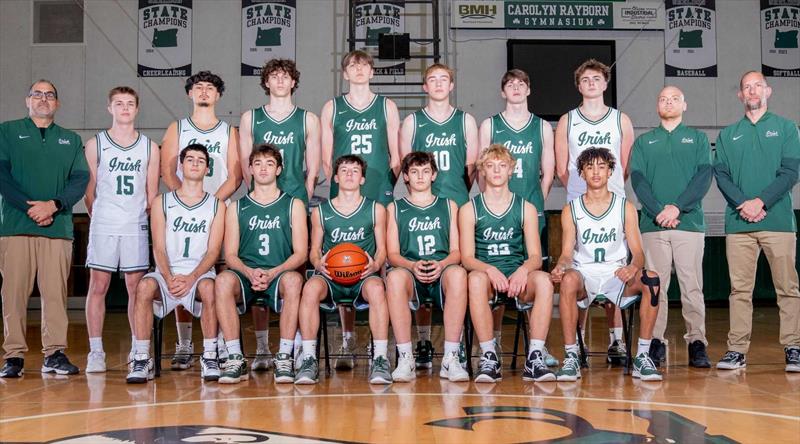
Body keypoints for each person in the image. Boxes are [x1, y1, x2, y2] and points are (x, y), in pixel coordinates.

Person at [0, 80, 89, 378]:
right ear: (27, 100)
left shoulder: (70, 140)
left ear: (57, 104)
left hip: (57, 227)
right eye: (37, 94)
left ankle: (54, 354)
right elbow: (2, 176)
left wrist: (53, 205)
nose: (43, 99)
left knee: (54, 295)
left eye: (49, 95)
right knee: (13, 295)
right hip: (16, 227)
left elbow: (79, 180)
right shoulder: (7, 131)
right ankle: (14, 356)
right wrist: (30, 208)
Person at [551, 147, 662, 382]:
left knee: (651, 279)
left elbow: (638, 254)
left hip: (616, 274)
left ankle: (643, 356)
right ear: (581, 173)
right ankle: (571, 356)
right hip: (585, 274)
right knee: (568, 280)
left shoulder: (625, 207)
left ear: (610, 171)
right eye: (589, 167)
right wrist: (561, 266)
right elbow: (567, 253)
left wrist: (633, 267)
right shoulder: (571, 209)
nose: (596, 172)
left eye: (602, 167)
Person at [713, 71, 800, 373]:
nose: (752, 91)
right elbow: (721, 175)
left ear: (768, 91)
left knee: (787, 288)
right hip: (739, 225)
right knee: (739, 291)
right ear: (740, 95)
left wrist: (760, 202)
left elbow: (790, 173)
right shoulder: (728, 134)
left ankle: (794, 347)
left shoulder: (786, 128)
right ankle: (737, 350)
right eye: (747, 87)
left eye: (757, 86)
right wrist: (744, 204)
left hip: (778, 222)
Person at [320, 50, 400, 369]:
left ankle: (381, 341)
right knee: (345, 260)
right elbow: (327, 159)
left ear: (372, 72)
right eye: (352, 66)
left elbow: (396, 156)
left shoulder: (386, 105)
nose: (358, 70)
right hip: (345, 190)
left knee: (381, 264)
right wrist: (343, 185)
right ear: (345, 73)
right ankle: (348, 337)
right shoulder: (333, 107)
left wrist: (385, 185)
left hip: (378, 187)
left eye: (364, 65)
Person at [239, 58, 320, 371]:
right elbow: (245, 164)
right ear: (266, 82)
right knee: (258, 269)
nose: (281, 81)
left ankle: (295, 344)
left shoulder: (307, 119)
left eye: (286, 76)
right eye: (274, 76)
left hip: (293, 202)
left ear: (294, 82)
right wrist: (257, 194)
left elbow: (313, 167)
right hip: (260, 203)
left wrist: (304, 194)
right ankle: (262, 347)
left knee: (294, 275)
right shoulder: (251, 117)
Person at [554, 59, 634, 363]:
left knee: (615, 267)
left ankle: (617, 341)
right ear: (578, 85)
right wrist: (582, 192)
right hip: (580, 204)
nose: (591, 83)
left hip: (613, 203)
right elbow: (562, 167)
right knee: (579, 272)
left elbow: (624, 165)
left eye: (596, 79)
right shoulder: (568, 120)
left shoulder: (620, 119)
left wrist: (607, 191)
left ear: (605, 83)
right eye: (585, 79)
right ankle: (578, 342)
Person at [400, 63, 479, 368]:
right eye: (432, 79)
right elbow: (406, 164)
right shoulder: (413, 122)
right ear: (425, 87)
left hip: (455, 203)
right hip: (420, 203)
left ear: (451, 85)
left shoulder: (465, 120)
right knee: (423, 265)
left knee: (456, 274)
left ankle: (456, 346)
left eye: (443, 79)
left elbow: (471, 167)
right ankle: (422, 340)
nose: (438, 84)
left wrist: (457, 195)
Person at [161, 71, 241, 369]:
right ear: (190, 94)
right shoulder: (177, 128)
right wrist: (187, 202)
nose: (204, 92)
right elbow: (167, 171)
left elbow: (236, 176)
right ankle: (184, 342)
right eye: (199, 87)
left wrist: (211, 204)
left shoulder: (228, 132)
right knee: (183, 270)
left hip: (218, 208)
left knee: (220, 274)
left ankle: (218, 340)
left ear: (218, 95)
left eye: (210, 88)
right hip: (183, 212)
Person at [478, 68, 558, 367]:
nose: (515, 87)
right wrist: (493, 203)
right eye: (510, 84)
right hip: (496, 210)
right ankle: (495, 340)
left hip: (530, 210)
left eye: (521, 83)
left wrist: (536, 202)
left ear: (528, 90)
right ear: (503, 92)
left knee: (533, 278)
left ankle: (539, 346)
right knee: (497, 270)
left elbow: (548, 171)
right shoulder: (490, 125)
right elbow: (482, 169)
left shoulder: (541, 126)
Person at [126, 144, 226, 383]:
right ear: (181, 166)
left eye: (200, 160)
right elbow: (158, 248)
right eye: (189, 159)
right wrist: (168, 276)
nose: (195, 163)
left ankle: (210, 356)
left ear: (207, 169)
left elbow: (213, 251)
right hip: (167, 273)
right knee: (144, 287)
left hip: (199, 274)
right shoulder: (162, 202)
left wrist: (191, 278)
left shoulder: (217, 205)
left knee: (210, 288)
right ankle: (141, 358)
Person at [630, 86, 712, 368]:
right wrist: (659, 211)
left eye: (675, 99)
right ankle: (654, 341)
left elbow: (703, 177)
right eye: (663, 99)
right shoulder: (644, 142)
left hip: (688, 224)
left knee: (692, 287)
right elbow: (638, 180)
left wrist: (677, 207)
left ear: (684, 105)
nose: (669, 103)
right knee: (656, 286)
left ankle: (697, 342)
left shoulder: (698, 139)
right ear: (657, 106)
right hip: (653, 225)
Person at [460, 144, 556, 383]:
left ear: (511, 170)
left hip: (517, 278)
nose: (496, 170)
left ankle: (535, 356)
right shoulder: (469, 209)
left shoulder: (526, 208)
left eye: (502, 165)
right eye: (490, 166)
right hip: (487, 278)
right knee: (475, 279)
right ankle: (489, 356)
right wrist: (490, 269)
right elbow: (467, 258)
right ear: (482, 171)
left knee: (544, 280)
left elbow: (535, 256)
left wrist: (523, 270)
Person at [295, 155, 392, 385]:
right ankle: (308, 359)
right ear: (336, 178)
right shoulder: (320, 211)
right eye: (344, 170)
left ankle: (380, 358)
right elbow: (314, 250)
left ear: (362, 179)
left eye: (355, 171)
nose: (349, 174)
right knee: (309, 288)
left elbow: (382, 250)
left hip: (363, 276)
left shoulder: (376, 209)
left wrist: (375, 264)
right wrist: (318, 263)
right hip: (331, 276)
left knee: (377, 288)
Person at [82, 86, 160, 373]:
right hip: (104, 222)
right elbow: (89, 191)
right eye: (119, 103)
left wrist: (138, 216)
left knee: (135, 289)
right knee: (98, 286)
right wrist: (100, 215)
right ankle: (96, 351)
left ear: (137, 109)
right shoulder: (95, 144)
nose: (124, 108)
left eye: (129, 103)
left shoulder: (150, 147)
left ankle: (138, 350)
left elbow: (152, 194)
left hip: (134, 224)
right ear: (109, 108)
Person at [215, 144, 307, 384]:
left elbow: (301, 253)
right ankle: (235, 357)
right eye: (258, 163)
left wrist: (273, 272)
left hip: (279, 272)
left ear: (279, 169)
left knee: (294, 281)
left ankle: (284, 356)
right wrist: (249, 272)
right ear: (250, 170)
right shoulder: (236, 207)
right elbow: (231, 255)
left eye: (269, 163)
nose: (263, 168)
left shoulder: (293, 204)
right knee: (222, 281)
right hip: (246, 274)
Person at [385, 152, 469, 382]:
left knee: (459, 274)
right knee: (394, 278)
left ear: (434, 175)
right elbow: (392, 255)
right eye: (414, 172)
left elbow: (457, 252)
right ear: (405, 176)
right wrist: (411, 265)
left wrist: (442, 264)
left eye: (425, 171)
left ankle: (451, 358)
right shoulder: (395, 208)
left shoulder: (449, 206)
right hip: (410, 272)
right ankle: (406, 358)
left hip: (442, 270)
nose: (420, 176)